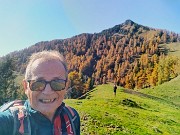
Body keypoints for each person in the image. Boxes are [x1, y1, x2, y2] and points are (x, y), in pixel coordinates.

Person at [0, 50, 80, 135]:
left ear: (66, 86)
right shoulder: (10, 122)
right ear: (26, 87)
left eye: (57, 83)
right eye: (38, 83)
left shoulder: (72, 117)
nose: (48, 91)